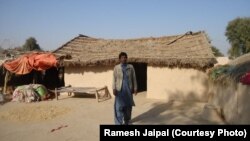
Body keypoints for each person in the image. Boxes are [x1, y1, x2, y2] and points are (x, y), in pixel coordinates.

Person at [112, 52, 137, 125]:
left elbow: (134, 78)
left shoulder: (130, 67)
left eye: (125, 57)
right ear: (119, 59)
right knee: (118, 107)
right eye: (122, 57)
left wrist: (135, 88)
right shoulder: (116, 68)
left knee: (128, 107)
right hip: (119, 90)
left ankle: (127, 121)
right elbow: (114, 79)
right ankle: (118, 122)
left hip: (128, 90)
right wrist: (114, 88)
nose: (124, 58)